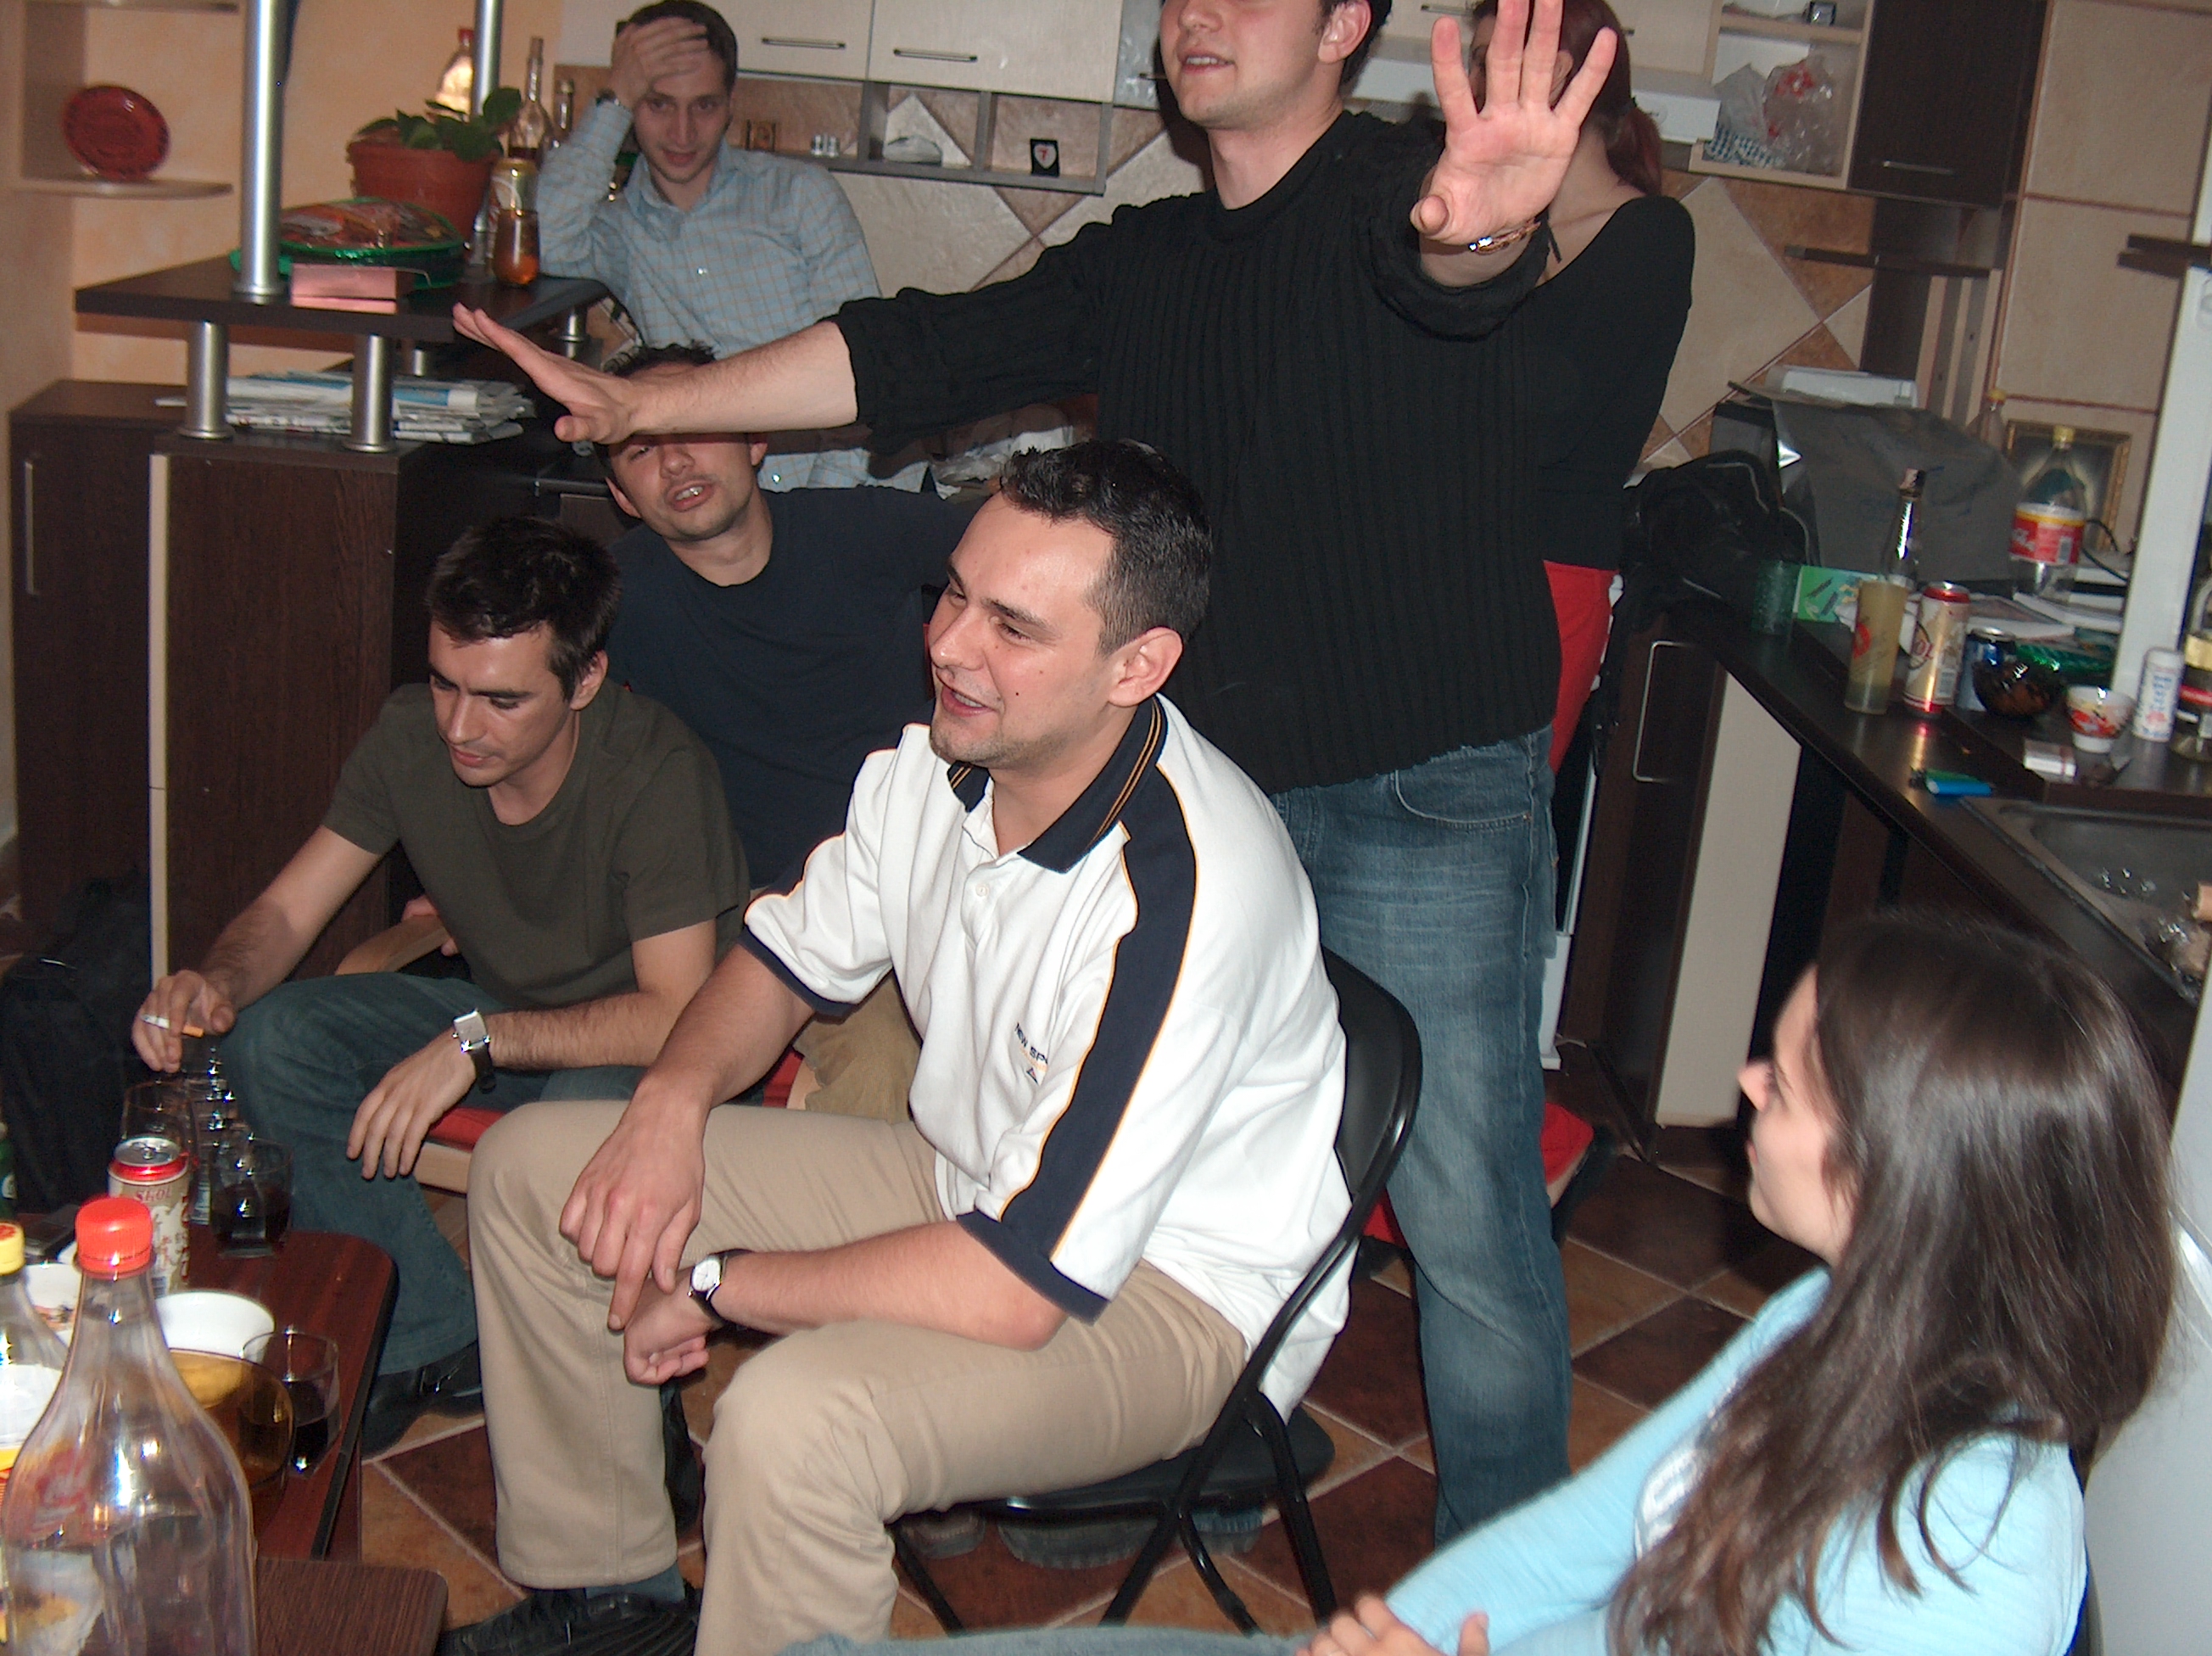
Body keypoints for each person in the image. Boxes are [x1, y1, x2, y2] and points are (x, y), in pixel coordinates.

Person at [461, 0, 1621, 1538]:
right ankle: (1134, 1439)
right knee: (1129, 1129)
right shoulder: (1146, 260)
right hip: (1206, 764)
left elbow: (1453, 276)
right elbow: (914, 351)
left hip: (1418, 780)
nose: (1197, 13)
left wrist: (1478, 236)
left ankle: (1510, 1594)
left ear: (1348, 21)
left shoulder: (1405, 200)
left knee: (1465, 1210)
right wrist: (653, 402)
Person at [440, 442, 1352, 1656]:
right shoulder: (938, 763)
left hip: (1168, 1294)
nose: (950, 645)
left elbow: (1017, 1285)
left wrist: (712, 1281)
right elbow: (782, 961)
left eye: (1012, 627)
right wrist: (668, 1103)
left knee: (793, 1420)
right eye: (954, 593)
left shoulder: (1180, 898)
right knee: (533, 1170)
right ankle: (608, 1595)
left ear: (1137, 666)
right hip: (969, 1179)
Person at [779, 910, 2178, 1656]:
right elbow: (1591, 1530)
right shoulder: (1840, 1318)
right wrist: (1403, 1627)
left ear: (1898, 1172)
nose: (1750, 1081)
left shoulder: (1969, 1552)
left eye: (1795, 1082)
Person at [133, 518, 748, 1452]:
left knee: (561, 1130)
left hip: (647, 1048)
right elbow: (290, 912)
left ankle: (619, 1405)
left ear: (585, 680)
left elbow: (674, 1015)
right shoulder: (410, 737)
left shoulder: (657, 774)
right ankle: (437, 1337)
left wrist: (475, 1042)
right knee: (272, 1039)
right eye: (444, 683)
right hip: (498, 1017)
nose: (460, 726)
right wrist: (213, 981)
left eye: (501, 699)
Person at [600, 341, 972, 1121]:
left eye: (694, 428)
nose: (675, 463)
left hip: (914, 878)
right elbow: (522, 716)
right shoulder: (617, 594)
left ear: (755, 437)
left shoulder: (863, 531)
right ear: (620, 494)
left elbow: (1029, 564)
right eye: (641, 450)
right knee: (881, 1069)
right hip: (752, 908)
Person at [1468, 0, 1693, 768]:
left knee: (1489, 812)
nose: (1471, 84)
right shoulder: (1490, 230)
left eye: (1485, 60)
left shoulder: (1652, 234)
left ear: (1555, 72)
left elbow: (1546, 419)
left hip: (1548, 572)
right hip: (1448, 562)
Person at [538, 0, 889, 490]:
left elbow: (867, 367)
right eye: (658, 104)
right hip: (731, 500)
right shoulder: (617, 231)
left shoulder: (800, 195)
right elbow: (546, 237)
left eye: (703, 105)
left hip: (846, 490)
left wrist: (815, 510)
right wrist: (614, 97)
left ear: (730, 104)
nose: (682, 133)